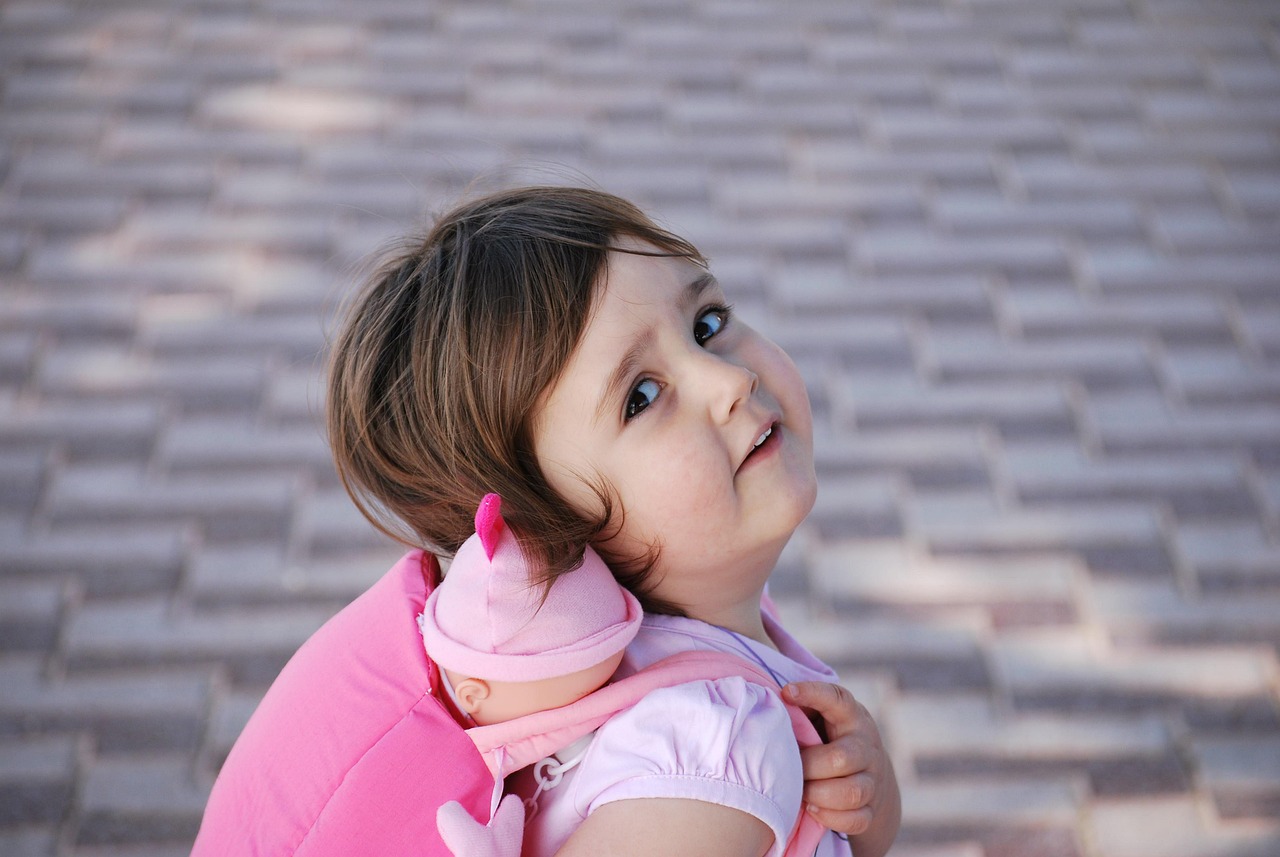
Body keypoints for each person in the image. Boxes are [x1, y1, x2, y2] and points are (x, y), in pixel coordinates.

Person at [327, 185, 902, 857]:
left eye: (706, 324)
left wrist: (868, 792)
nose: (730, 382)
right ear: (549, 524)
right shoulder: (710, 751)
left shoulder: (693, 667)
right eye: (643, 396)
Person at [420, 490, 643, 857]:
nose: (598, 707)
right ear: (474, 695)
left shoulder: (496, 704)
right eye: (577, 700)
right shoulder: (435, 751)